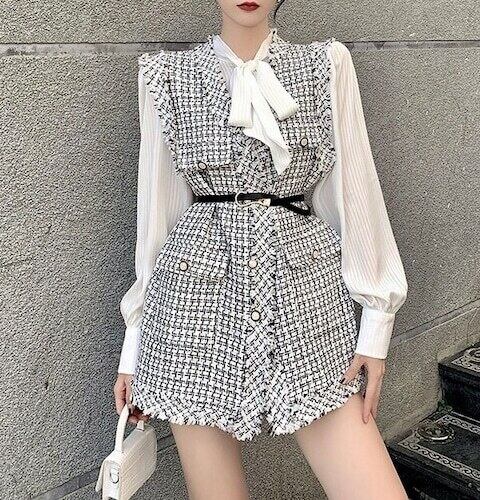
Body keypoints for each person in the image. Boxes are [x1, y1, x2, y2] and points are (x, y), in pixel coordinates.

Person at [113, 1, 409, 498]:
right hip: (192, 309)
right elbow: (157, 223)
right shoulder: (166, 77)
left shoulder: (325, 66)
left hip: (306, 298)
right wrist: (135, 348)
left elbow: (354, 193)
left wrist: (376, 325)